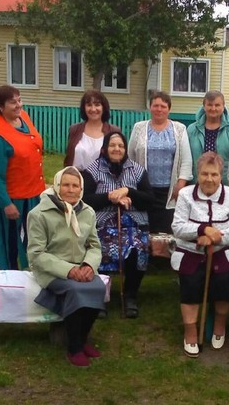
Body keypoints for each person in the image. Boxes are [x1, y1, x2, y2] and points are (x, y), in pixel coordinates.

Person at [27, 166, 106, 367]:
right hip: (51, 269)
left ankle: (82, 338)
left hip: (80, 266)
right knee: (76, 291)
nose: (71, 190)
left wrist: (89, 264)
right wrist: (69, 270)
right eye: (66, 185)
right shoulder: (39, 214)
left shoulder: (87, 212)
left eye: (75, 186)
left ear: (81, 189)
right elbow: (36, 254)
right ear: (56, 187)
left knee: (98, 287)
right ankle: (75, 348)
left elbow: (94, 245)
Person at [171, 152, 229, 357]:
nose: (209, 179)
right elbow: (177, 226)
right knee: (191, 282)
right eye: (204, 174)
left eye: (214, 174)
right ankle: (191, 329)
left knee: (225, 278)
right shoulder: (185, 194)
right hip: (191, 249)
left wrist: (214, 237)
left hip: (222, 249)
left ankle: (220, 323)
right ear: (197, 174)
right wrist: (202, 230)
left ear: (221, 176)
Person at [82, 131, 154, 319]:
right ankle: (101, 296)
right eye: (113, 145)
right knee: (102, 245)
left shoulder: (137, 170)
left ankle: (130, 295)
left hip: (134, 223)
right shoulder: (92, 170)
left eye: (121, 146)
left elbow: (149, 200)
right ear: (105, 148)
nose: (117, 149)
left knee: (137, 247)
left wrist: (129, 192)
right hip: (103, 223)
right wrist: (110, 197)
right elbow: (85, 199)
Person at [0, 85, 45, 270]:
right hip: (13, 199)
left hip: (33, 193)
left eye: (19, 100)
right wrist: (6, 204)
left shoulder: (23, 117)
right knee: (12, 244)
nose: (19, 105)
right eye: (13, 102)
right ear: (0, 107)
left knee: (35, 239)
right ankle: (10, 280)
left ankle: (35, 274)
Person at [128, 91, 193, 234]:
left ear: (169, 109)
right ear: (150, 107)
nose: (159, 109)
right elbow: (130, 157)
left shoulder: (179, 129)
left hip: (169, 193)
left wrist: (180, 184)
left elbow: (187, 161)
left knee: (167, 232)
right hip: (145, 190)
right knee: (145, 230)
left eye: (163, 106)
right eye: (155, 105)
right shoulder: (139, 128)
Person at [187, 90, 229, 185]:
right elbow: (187, 158)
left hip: (226, 184)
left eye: (217, 105)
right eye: (210, 105)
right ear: (204, 106)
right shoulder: (191, 129)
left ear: (223, 106)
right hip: (198, 183)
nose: (213, 108)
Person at [64, 90, 120, 171]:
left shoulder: (113, 131)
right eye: (89, 105)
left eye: (97, 105)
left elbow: (119, 160)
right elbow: (68, 159)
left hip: (104, 181)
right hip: (78, 180)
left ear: (103, 107)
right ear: (84, 108)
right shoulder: (74, 130)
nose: (93, 109)